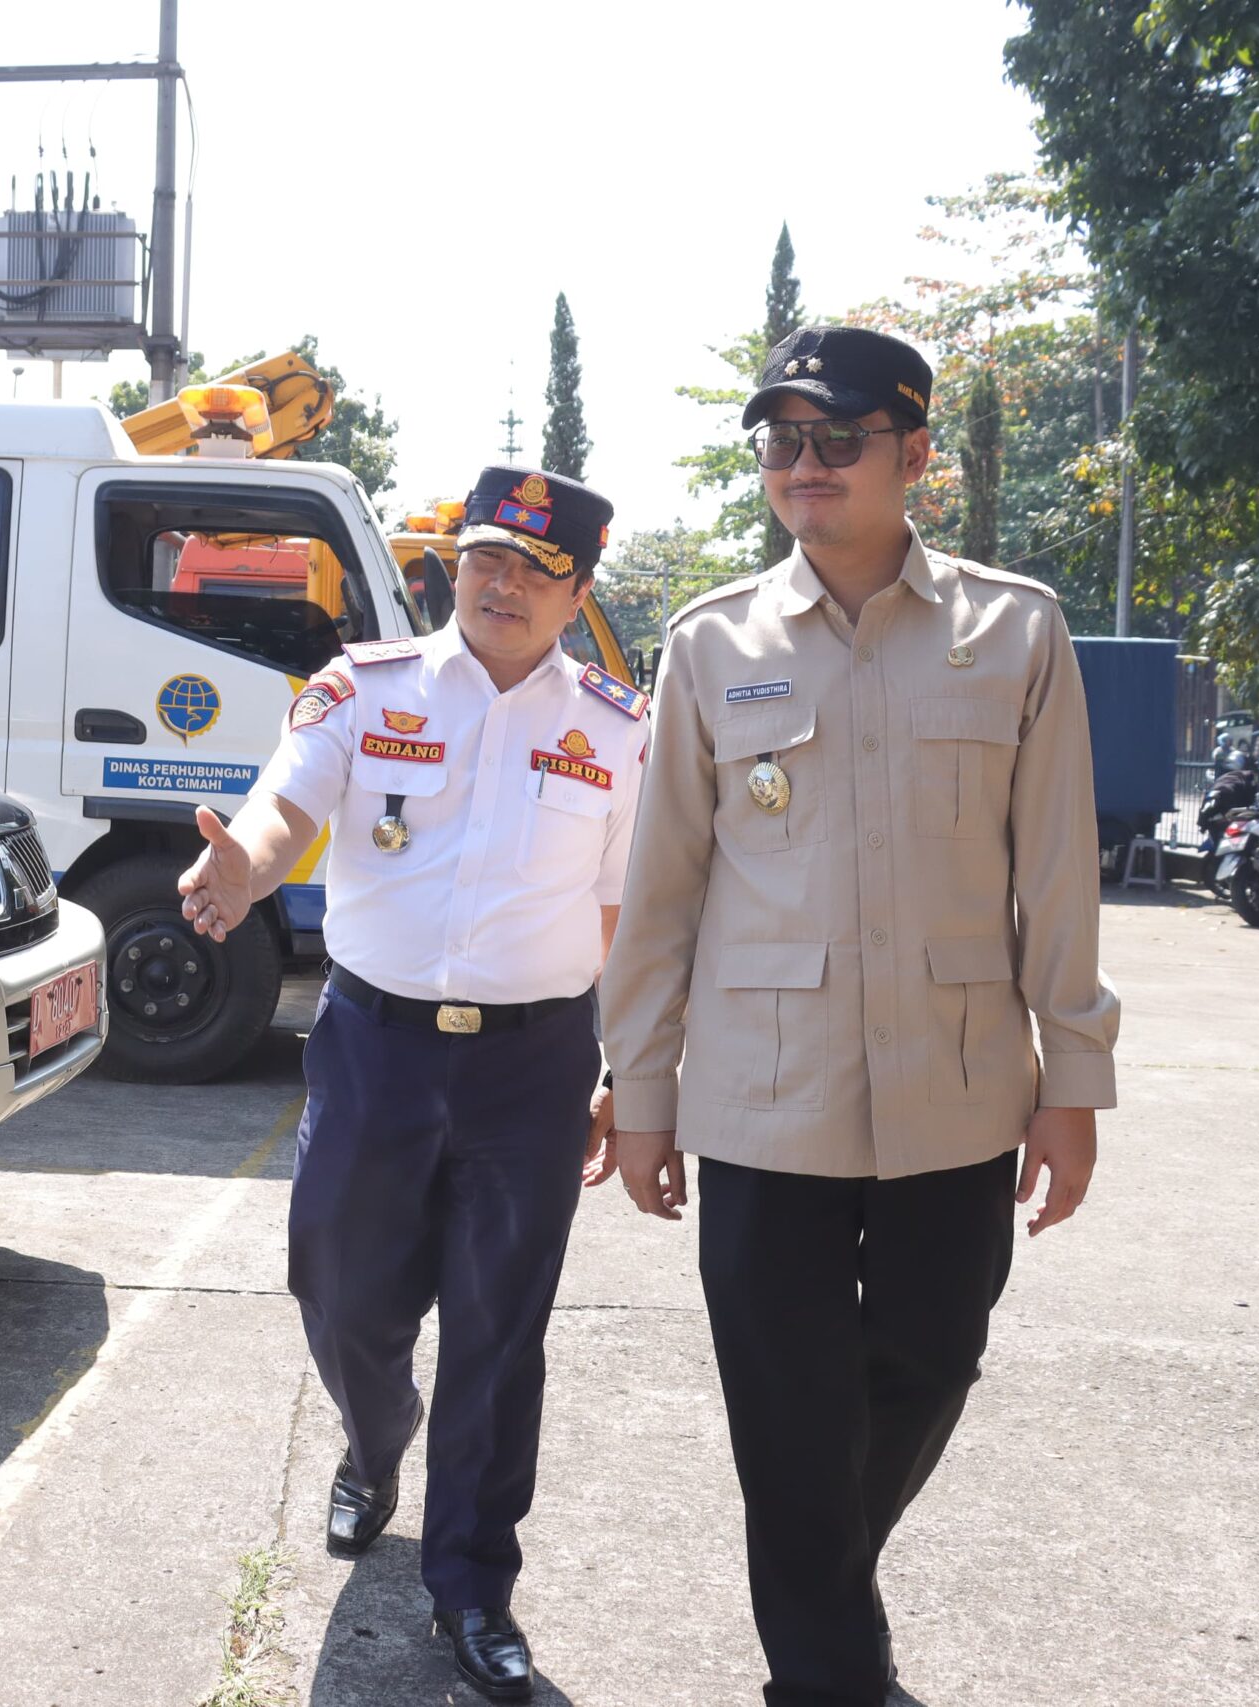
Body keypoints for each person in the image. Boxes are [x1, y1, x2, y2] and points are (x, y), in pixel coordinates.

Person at [594, 324, 1121, 1707]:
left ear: (915, 457)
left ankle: (820, 1588)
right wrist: (639, 1091)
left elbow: (1059, 872)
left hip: (957, 1086)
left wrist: (1073, 1076)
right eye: (782, 441)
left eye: (837, 439)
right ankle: (831, 1679)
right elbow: (662, 892)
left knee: (934, 1355)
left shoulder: (1016, 629)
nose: (805, 465)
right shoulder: (711, 643)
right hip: (767, 1094)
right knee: (787, 1411)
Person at [178, 465, 647, 1703]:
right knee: (337, 1286)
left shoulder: (614, 730)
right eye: (486, 558)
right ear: (454, 567)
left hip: (533, 1062)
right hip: (375, 1045)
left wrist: (622, 1070)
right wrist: (245, 870)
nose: (502, 584)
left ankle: (474, 1587)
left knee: (500, 1330)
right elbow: (287, 808)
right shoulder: (362, 687)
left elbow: (623, 918)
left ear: (576, 593)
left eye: (536, 570)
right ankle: (372, 1442)